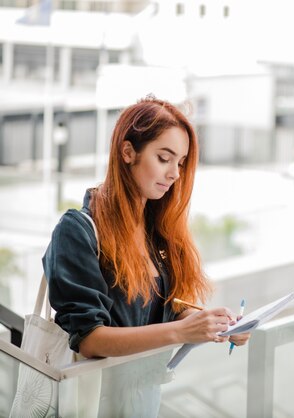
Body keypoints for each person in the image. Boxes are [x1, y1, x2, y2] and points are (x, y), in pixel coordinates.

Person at [42, 97, 250, 414]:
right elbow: (89, 338)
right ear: (128, 152)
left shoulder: (155, 230)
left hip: (142, 400)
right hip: (93, 403)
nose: (175, 174)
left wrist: (211, 324)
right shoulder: (77, 231)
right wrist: (182, 331)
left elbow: (160, 312)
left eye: (180, 163)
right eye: (164, 158)